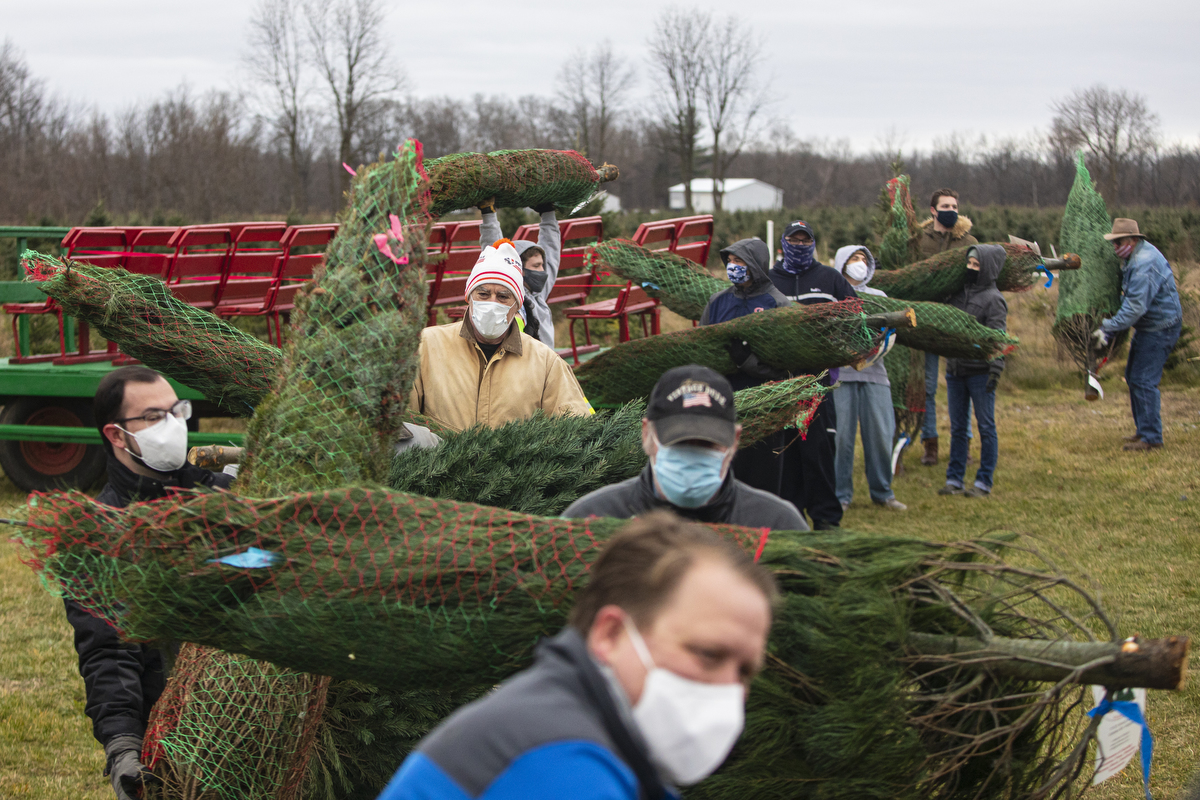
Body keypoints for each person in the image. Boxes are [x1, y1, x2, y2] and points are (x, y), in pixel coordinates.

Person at [377, 510, 778, 800]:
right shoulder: (554, 759)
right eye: (708, 654)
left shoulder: (604, 746)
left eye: (744, 672)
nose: (729, 690)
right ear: (611, 634)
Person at [73, 366, 235, 800]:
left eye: (176, 411)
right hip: (175, 733)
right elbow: (108, 650)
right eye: (153, 417)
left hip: (254, 716)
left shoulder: (224, 499)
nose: (172, 425)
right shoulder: (100, 535)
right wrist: (124, 746)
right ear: (117, 435)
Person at [562, 365, 807, 531]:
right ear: (647, 435)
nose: (692, 454)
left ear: (734, 441)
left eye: (707, 443)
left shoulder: (777, 525)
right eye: (678, 441)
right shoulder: (592, 519)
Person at [409, 238, 592, 431]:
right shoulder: (426, 346)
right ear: (468, 297)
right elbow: (398, 423)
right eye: (483, 294)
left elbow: (577, 431)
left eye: (503, 296)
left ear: (518, 305)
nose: (492, 303)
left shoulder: (546, 363)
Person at [767, 220, 856, 529]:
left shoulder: (830, 279)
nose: (800, 245)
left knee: (818, 452)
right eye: (794, 240)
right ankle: (790, 516)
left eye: (806, 241)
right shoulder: (769, 280)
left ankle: (826, 518)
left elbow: (856, 318)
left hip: (819, 384)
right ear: (783, 243)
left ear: (813, 244)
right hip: (778, 385)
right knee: (784, 454)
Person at [698, 237, 791, 495]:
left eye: (739, 261)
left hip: (766, 403)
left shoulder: (778, 304)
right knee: (725, 470)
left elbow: (785, 367)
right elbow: (702, 347)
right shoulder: (717, 302)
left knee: (763, 474)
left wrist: (747, 361)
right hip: (725, 401)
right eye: (730, 261)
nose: (732, 266)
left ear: (755, 264)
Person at [1094, 218, 1183, 451]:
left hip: (1161, 327)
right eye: (1114, 243)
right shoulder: (1134, 257)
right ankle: (1143, 430)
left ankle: (1152, 438)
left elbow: (1134, 307)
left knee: (1144, 380)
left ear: (1133, 239)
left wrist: (1107, 327)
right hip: (1150, 326)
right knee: (1133, 376)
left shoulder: (1144, 263)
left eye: (1119, 242)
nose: (1115, 248)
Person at [830, 245, 906, 512]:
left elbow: (890, 334)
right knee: (841, 437)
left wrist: (869, 356)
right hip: (841, 376)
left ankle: (883, 492)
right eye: (854, 258)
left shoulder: (878, 296)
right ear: (842, 263)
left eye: (863, 259)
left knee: (881, 434)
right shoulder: (832, 298)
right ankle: (840, 494)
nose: (859, 263)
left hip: (875, 374)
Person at [917, 188, 979, 466]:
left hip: (957, 318)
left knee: (959, 384)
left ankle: (962, 441)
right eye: (945, 206)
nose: (951, 210)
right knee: (928, 386)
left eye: (955, 206)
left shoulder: (968, 241)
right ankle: (929, 443)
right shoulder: (919, 240)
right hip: (926, 318)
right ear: (933, 210)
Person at [938, 245, 1006, 498]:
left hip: (980, 373)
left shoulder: (994, 300)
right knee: (958, 427)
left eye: (976, 265)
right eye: (969, 263)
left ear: (987, 268)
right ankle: (954, 479)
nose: (971, 268)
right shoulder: (957, 295)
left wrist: (996, 369)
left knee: (986, 426)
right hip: (955, 371)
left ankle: (983, 482)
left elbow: (999, 337)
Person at [479, 199, 561, 349]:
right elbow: (494, 251)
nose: (543, 271)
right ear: (519, 270)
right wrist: (488, 213)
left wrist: (548, 213)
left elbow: (552, 250)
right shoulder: (513, 298)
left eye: (542, 265)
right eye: (536, 266)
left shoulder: (539, 294)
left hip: (546, 365)